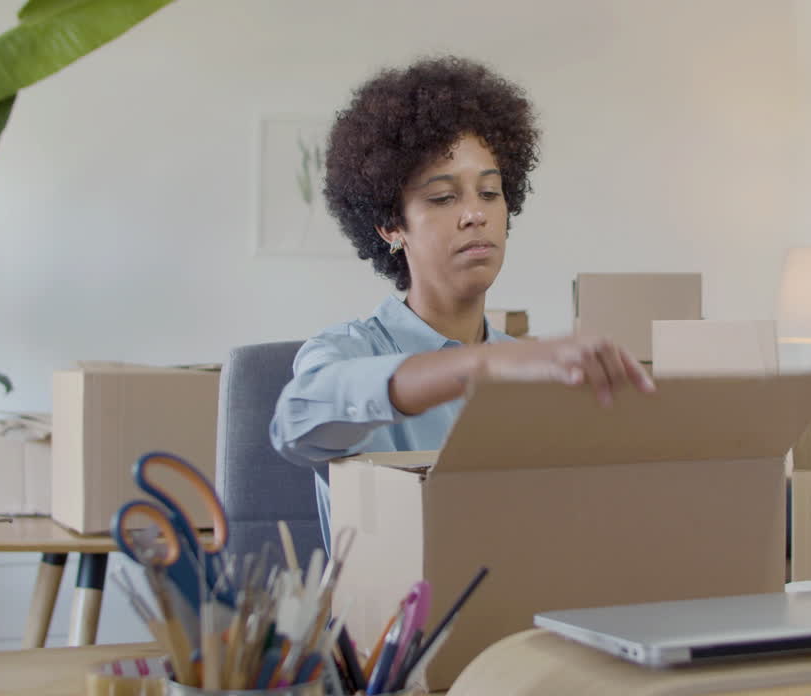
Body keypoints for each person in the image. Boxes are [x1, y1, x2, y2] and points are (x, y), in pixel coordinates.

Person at [270, 56, 654, 544]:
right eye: (443, 197)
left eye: (490, 192)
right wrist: (482, 367)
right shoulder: (351, 350)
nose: (476, 214)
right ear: (391, 226)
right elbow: (296, 422)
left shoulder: (535, 370)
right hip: (397, 620)